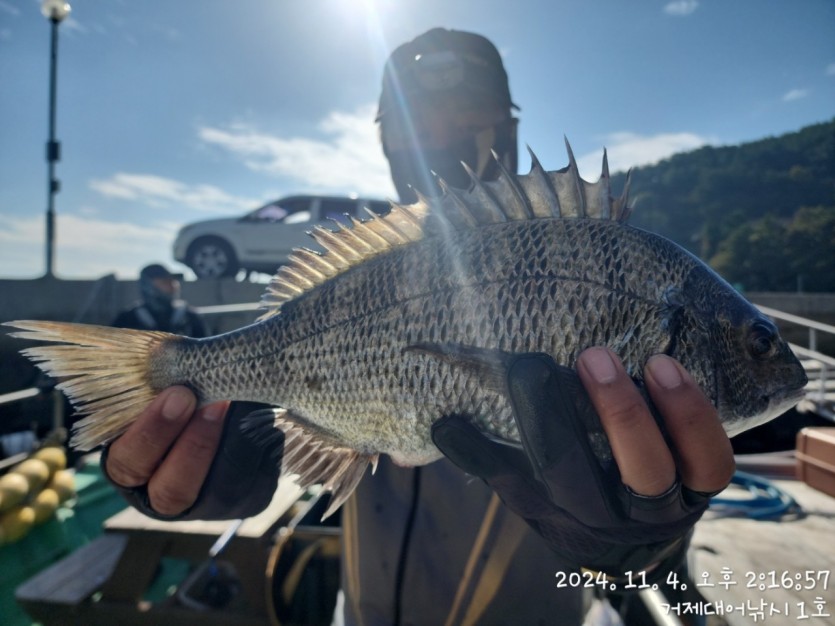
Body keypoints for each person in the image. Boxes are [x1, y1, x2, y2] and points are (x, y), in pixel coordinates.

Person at [100, 29, 734, 624]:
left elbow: (665, 518)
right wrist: (207, 455)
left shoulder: (611, 264)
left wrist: (652, 539)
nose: (439, 136)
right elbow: (283, 395)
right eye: (413, 125)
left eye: (465, 118)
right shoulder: (366, 270)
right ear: (384, 140)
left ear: (506, 127)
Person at [113, 263, 208, 337]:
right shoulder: (127, 319)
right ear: (148, 287)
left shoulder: (190, 316)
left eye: (172, 281)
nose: (172, 285)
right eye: (165, 282)